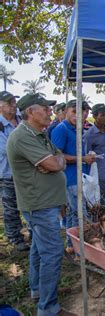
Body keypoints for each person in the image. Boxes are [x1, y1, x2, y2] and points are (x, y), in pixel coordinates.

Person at [7, 93, 76, 316]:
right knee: (52, 253)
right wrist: (54, 162)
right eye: (45, 108)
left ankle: (39, 291)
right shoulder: (22, 137)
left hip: (48, 202)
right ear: (30, 112)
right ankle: (48, 308)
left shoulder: (39, 134)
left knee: (38, 250)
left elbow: (58, 159)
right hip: (39, 205)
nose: (50, 112)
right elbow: (54, 164)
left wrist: (55, 161)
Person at [52, 99, 96, 250]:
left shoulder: (78, 129)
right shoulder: (61, 129)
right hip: (70, 178)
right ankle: (82, 251)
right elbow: (58, 157)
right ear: (65, 112)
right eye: (75, 111)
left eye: (84, 112)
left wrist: (87, 157)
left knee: (72, 213)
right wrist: (83, 158)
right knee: (81, 214)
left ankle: (71, 245)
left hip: (80, 176)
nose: (81, 115)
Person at [0, 91, 28, 251]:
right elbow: (7, 149)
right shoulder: (1, 125)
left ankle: (30, 233)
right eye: (9, 103)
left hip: (25, 173)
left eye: (13, 102)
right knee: (11, 208)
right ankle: (15, 238)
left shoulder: (20, 121)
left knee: (28, 204)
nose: (13, 106)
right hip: (7, 174)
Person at [84, 103, 105, 207]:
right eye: (102, 115)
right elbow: (87, 155)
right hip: (102, 174)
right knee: (103, 203)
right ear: (95, 116)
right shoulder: (89, 135)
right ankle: (103, 222)